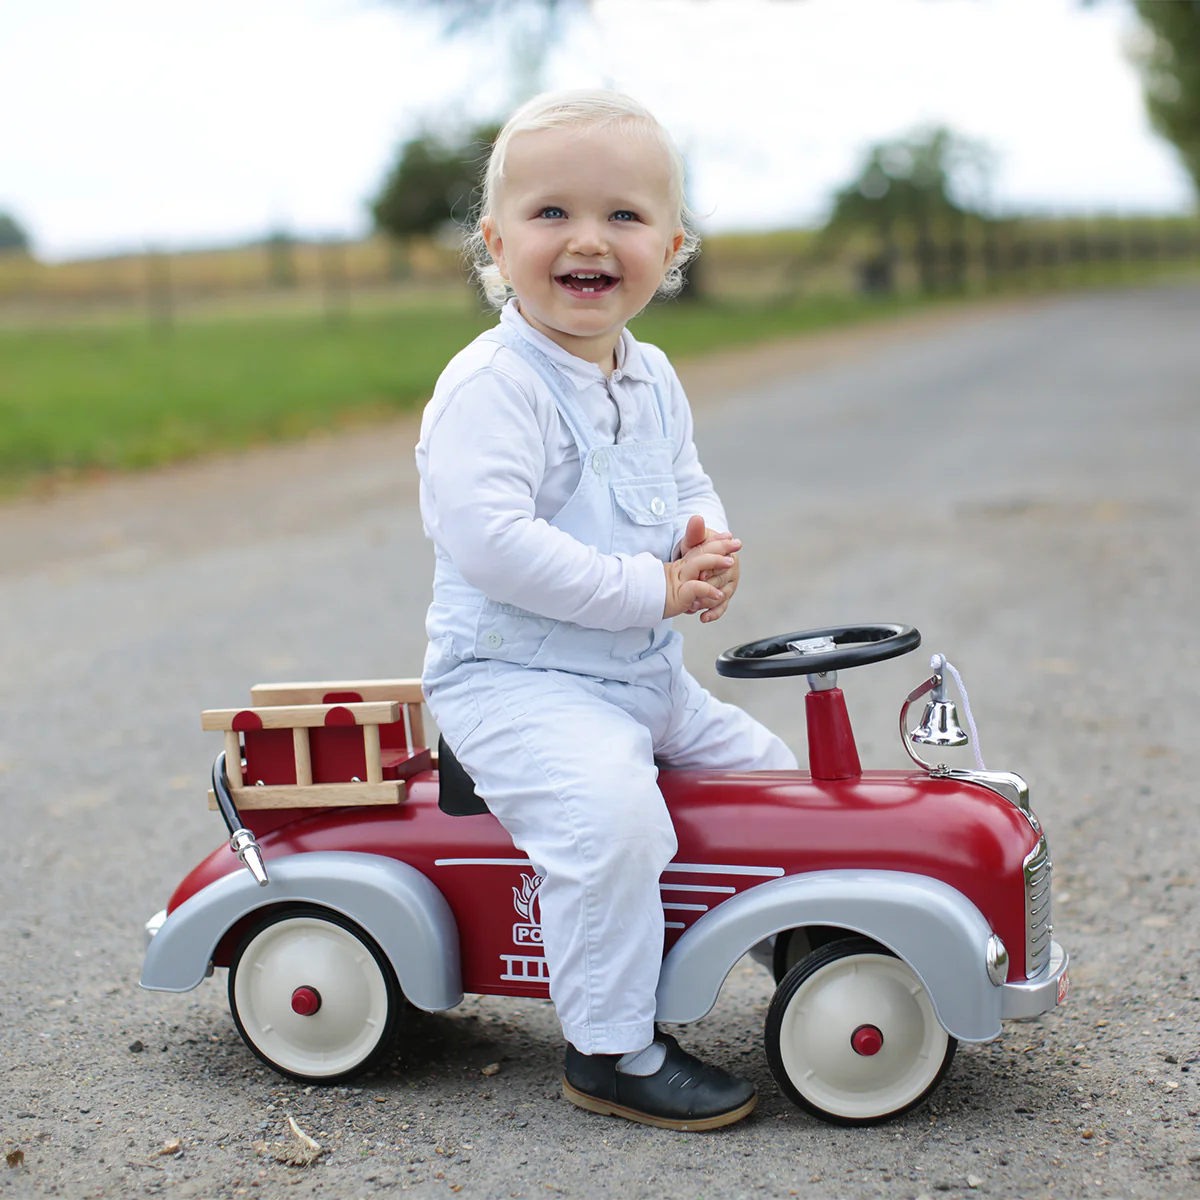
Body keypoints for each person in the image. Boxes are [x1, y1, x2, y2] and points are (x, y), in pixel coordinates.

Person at [416, 89, 796, 1131]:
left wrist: (699, 544)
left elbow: (682, 479)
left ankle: (805, 945)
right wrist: (647, 589)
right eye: (552, 215)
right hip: (517, 683)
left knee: (769, 780)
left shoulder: (652, 371)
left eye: (624, 216)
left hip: (637, 676)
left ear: (672, 246)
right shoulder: (493, 385)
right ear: (495, 242)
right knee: (613, 822)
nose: (589, 239)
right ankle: (611, 1045)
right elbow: (491, 542)